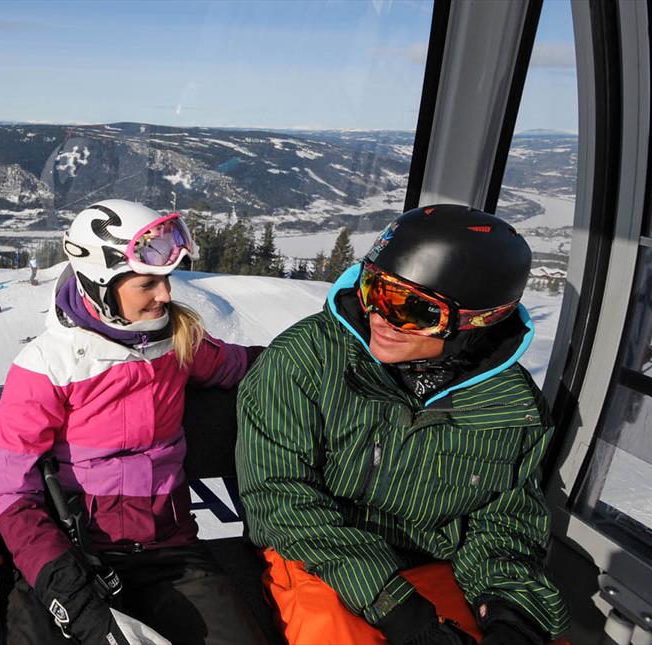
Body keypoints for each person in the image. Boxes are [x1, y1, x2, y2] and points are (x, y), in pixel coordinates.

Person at [236, 205, 569, 645]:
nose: (381, 317)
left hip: (440, 567)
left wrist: (510, 612)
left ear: (477, 322)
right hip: (321, 558)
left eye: (414, 309)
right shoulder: (306, 361)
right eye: (374, 289)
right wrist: (399, 610)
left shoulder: (510, 402)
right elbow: (279, 500)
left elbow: (506, 521)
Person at [0, 199, 271, 644]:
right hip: (76, 557)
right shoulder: (47, 366)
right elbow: (11, 495)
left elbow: (244, 366)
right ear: (101, 285)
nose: (165, 295)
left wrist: (316, 360)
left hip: (170, 554)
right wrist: (74, 598)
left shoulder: (178, 341)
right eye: (148, 284)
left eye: (166, 280)